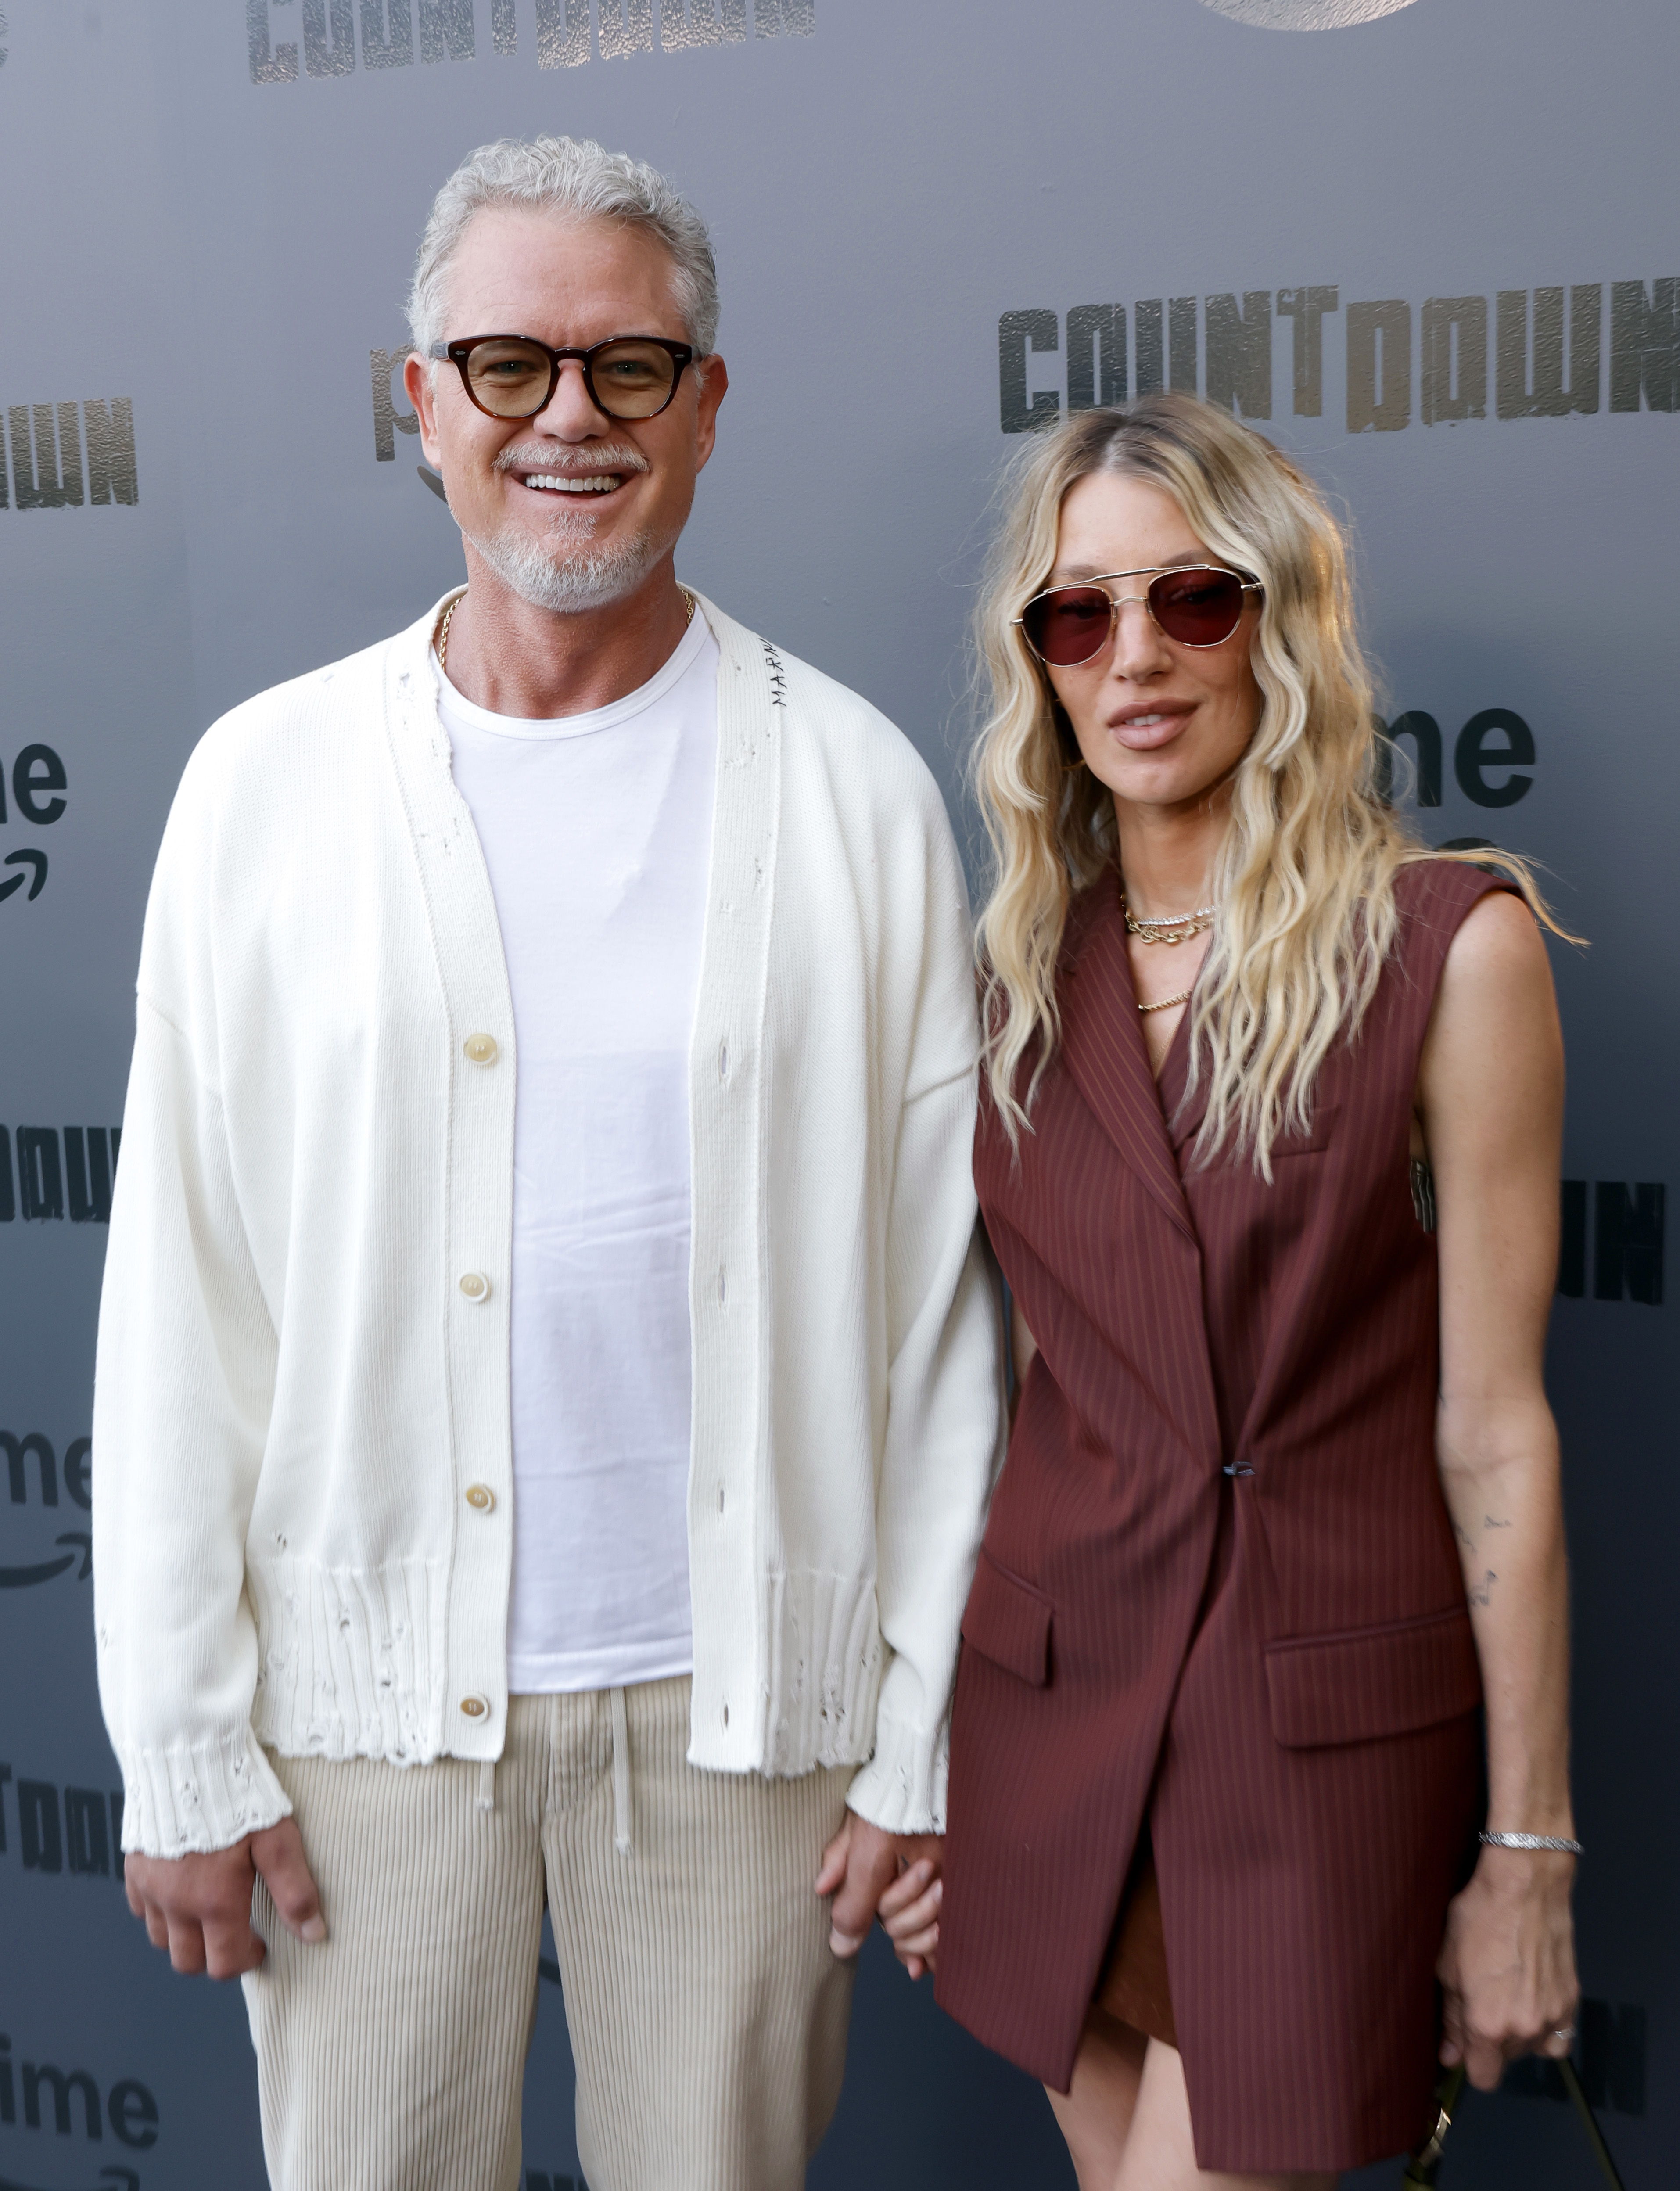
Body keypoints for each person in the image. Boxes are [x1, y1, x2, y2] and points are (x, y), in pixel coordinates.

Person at [93, 135, 1001, 2191]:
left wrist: (924, 1731)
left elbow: (940, 1325)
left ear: (709, 405)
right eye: (508, 364)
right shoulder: (261, 792)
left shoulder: (854, 789)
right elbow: (179, 1308)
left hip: (747, 1725)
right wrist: (185, 1743)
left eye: (629, 366)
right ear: (422, 402)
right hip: (356, 1727)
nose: (569, 418)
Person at [921, 392, 1579, 2190]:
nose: (1134, 656)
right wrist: (907, 1770)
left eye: (1191, 599)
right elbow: (1014, 1393)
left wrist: (1528, 1851)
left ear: (1278, 621)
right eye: (1078, 615)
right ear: (1040, 663)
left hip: (1314, 1742)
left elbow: (1495, 1432)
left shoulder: (1448, 946)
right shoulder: (1013, 981)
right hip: (1053, 1717)